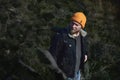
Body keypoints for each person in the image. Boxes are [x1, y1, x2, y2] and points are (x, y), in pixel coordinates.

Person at [49, 12, 88, 80]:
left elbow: (84, 49)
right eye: (72, 23)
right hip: (64, 75)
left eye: (76, 25)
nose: (73, 26)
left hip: (77, 73)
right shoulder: (61, 36)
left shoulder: (83, 37)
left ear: (81, 26)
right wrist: (58, 72)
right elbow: (52, 55)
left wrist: (86, 55)